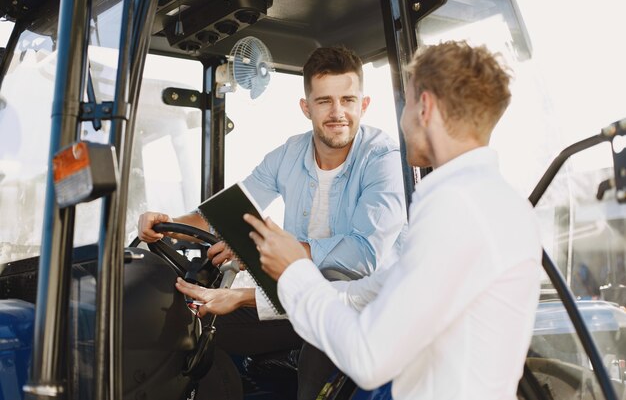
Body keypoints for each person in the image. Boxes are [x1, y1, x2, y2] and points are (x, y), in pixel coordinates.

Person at [244, 40, 542, 400]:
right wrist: (253, 296)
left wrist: (294, 269)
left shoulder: (456, 208)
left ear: (425, 108)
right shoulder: (493, 201)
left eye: (405, 105)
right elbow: (367, 291)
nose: (400, 122)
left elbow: (368, 358)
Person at [139, 46, 406, 398]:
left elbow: (360, 257)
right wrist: (167, 222)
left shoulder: (384, 159)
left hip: (359, 310)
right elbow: (223, 218)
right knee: (191, 326)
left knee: (319, 341)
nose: (338, 112)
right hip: (294, 298)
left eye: (348, 100)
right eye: (325, 101)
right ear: (306, 107)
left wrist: (261, 251)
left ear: (364, 105)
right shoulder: (289, 154)